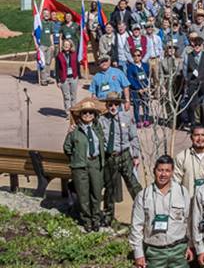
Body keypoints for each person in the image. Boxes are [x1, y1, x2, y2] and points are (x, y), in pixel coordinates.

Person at [129, 155, 193, 268]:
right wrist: (138, 254)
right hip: (154, 253)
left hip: (179, 251)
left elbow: (188, 222)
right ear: (154, 171)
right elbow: (136, 227)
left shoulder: (182, 192)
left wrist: (189, 246)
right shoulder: (143, 196)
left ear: (172, 172)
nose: (163, 174)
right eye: (160, 170)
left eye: (167, 170)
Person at [63, 96, 107, 232]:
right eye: (85, 112)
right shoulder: (74, 131)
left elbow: (103, 143)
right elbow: (67, 148)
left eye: (90, 112)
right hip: (80, 165)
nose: (88, 115)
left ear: (94, 115)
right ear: (80, 115)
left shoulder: (97, 129)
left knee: (96, 192)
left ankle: (96, 219)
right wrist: (77, 158)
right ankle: (86, 220)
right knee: (83, 194)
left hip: (95, 163)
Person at [99, 92, 143, 226]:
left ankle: (144, 212)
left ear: (120, 105)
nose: (113, 107)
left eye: (116, 104)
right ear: (106, 105)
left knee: (133, 184)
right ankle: (108, 215)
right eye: (110, 104)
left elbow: (133, 137)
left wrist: (135, 155)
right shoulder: (101, 120)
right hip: (110, 157)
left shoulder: (127, 118)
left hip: (124, 155)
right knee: (110, 188)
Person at [174, 124, 204, 198]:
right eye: (196, 135)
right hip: (189, 203)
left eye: (203, 135)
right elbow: (175, 183)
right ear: (191, 137)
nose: (200, 138)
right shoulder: (182, 157)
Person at [54, 38, 83, 114]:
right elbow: (56, 69)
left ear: (70, 46)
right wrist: (57, 80)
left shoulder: (74, 54)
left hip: (73, 77)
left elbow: (77, 65)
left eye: (68, 44)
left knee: (73, 95)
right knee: (66, 96)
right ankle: (68, 112)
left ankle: (74, 111)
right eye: (65, 45)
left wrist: (78, 76)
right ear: (63, 46)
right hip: (64, 78)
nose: (66, 46)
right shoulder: (59, 56)